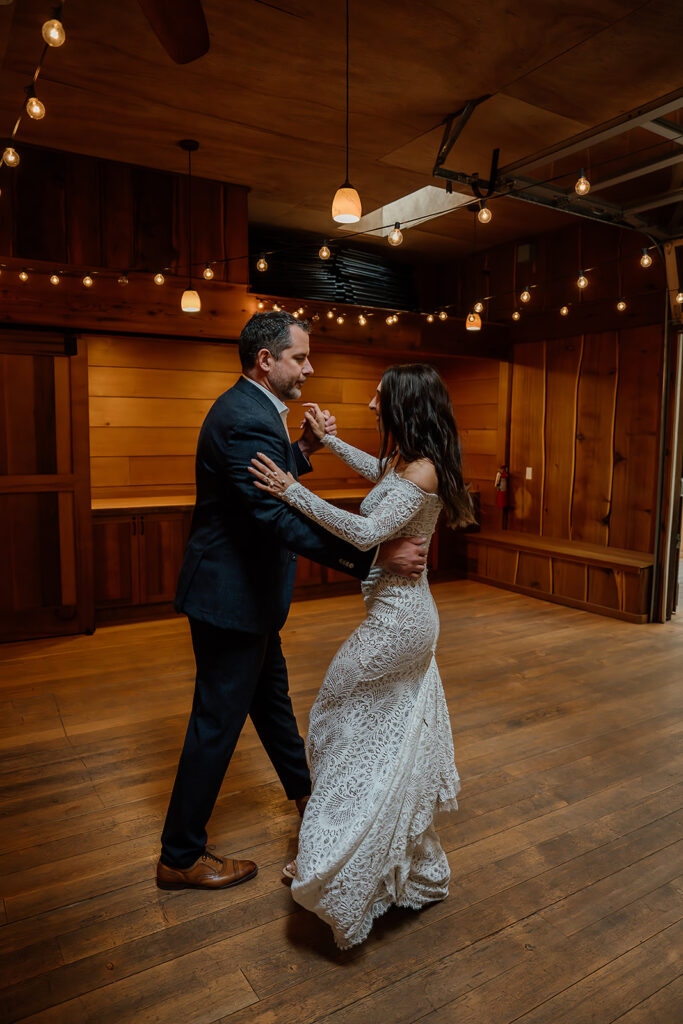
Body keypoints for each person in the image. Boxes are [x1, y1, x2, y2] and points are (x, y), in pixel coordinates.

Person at [156, 312, 428, 891]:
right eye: (300, 358)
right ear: (266, 360)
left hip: (245, 600)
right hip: (232, 598)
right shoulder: (246, 418)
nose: (309, 367)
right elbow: (273, 514)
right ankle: (180, 855)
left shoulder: (250, 411)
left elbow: (267, 480)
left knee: (272, 705)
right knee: (216, 723)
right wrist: (374, 558)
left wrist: (304, 447)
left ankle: (309, 802)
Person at [249, 362, 476, 948]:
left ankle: (339, 860)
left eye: (379, 398)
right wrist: (327, 444)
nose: (373, 406)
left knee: (332, 717)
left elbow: (363, 532)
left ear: (403, 404)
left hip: (399, 623)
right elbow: (375, 472)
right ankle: (393, 864)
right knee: (377, 736)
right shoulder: (411, 462)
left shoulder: (420, 472)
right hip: (403, 617)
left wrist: (293, 490)